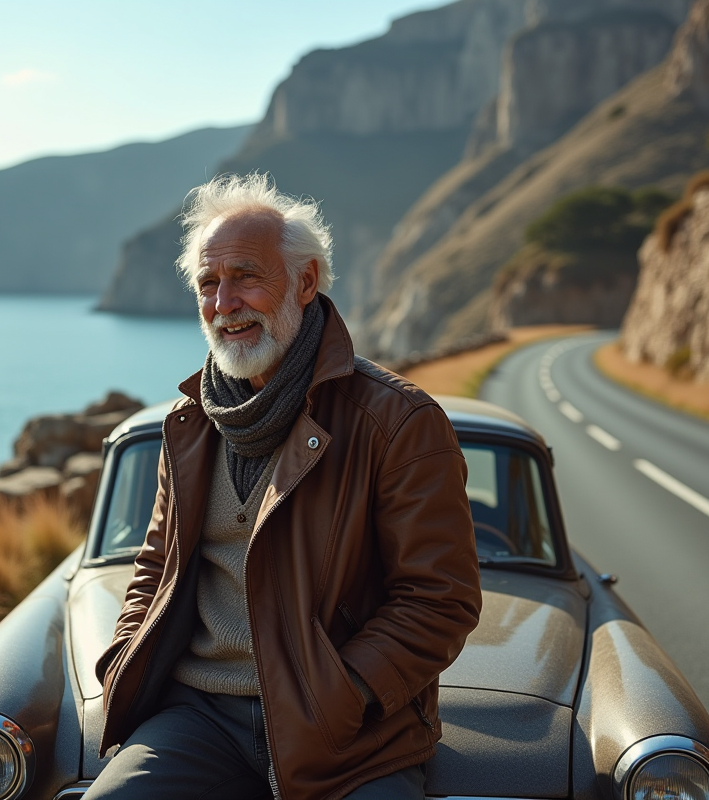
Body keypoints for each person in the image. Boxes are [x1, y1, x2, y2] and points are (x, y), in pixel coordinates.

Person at [88, 173, 481, 800]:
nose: (224, 304)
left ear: (304, 281)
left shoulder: (399, 422)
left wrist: (342, 694)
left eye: (246, 276)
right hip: (197, 717)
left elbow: (440, 599)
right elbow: (156, 564)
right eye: (208, 285)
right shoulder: (189, 423)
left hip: (348, 737)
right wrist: (124, 658)